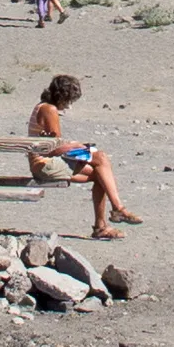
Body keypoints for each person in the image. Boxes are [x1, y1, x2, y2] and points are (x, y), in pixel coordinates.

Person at [27, 74, 140, 239]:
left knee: (101, 174)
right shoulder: (49, 110)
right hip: (45, 164)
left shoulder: (42, 106)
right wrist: (76, 146)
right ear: (62, 97)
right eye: (69, 101)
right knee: (101, 159)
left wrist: (74, 145)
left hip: (45, 163)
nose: (69, 106)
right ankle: (117, 209)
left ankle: (103, 225)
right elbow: (53, 148)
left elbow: (52, 142)